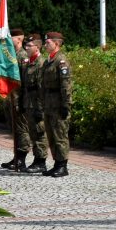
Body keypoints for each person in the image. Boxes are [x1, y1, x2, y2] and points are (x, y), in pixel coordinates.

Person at [40, 31, 72, 178]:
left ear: (57, 44)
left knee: (60, 135)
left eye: (48, 42)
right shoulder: (48, 61)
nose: (45, 45)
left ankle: (62, 165)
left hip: (58, 104)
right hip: (48, 103)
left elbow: (66, 85)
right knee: (51, 135)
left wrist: (66, 104)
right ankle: (56, 163)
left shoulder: (61, 61)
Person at [0, 28, 30, 172]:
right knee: (14, 128)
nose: (9, 39)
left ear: (19, 39)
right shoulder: (12, 55)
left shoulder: (23, 56)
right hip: (10, 98)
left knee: (21, 129)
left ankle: (21, 159)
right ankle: (16, 156)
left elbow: (24, 81)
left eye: (11, 37)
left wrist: (23, 101)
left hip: (19, 98)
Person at [19, 33, 49, 174]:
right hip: (29, 103)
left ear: (37, 47)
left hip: (37, 104)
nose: (26, 47)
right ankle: (36, 160)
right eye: (26, 45)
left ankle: (41, 161)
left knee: (39, 133)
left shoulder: (41, 63)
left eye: (29, 46)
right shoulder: (29, 62)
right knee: (33, 133)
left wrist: (40, 108)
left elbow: (41, 88)